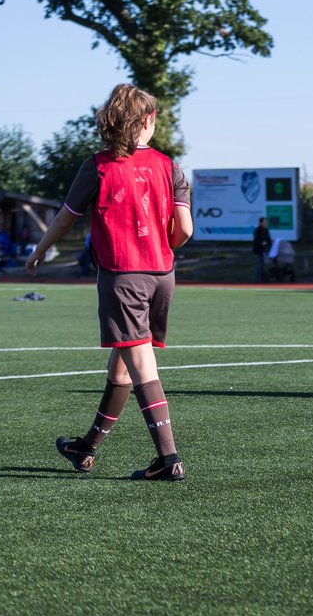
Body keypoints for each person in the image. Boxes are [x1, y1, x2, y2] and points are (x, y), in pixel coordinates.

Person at [26, 84, 193, 481]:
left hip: (123, 277)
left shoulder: (98, 166)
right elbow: (185, 229)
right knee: (122, 366)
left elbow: (66, 217)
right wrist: (158, 245)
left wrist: (39, 250)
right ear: (148, 120)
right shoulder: (170, 167)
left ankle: (169, 459)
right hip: (163, 277)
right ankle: (86, 447)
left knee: (142, 365)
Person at [253, 217, 272, 282]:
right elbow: (256, 240)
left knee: (264, 264)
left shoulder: (266, 230)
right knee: (260, 264)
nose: (266, 223)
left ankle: (263, 278)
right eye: (264, 222)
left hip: (265, 250)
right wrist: (262, 243)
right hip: (259, 250)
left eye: (266, 222)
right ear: (261, 223)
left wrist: (268, 244)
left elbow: (269, 239)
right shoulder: (257, 230)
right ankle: (258, 279)